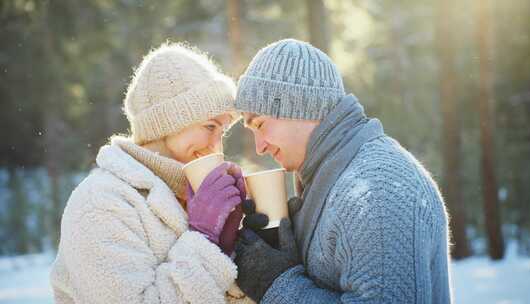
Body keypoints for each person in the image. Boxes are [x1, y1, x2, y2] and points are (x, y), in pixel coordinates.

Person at [234, 39, 452, 303]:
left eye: (259, 124)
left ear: (299, 105)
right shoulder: (334, 180)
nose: (259, 147)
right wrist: (281, 248)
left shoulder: (377, 191)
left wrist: (277, 284)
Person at [50, 43, 253, 304]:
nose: (217, 146)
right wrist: (204, 239)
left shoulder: (188, 194)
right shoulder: (100, 202)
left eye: (222, 132)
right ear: (169, 122)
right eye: (210, 127)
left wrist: (234, 248)